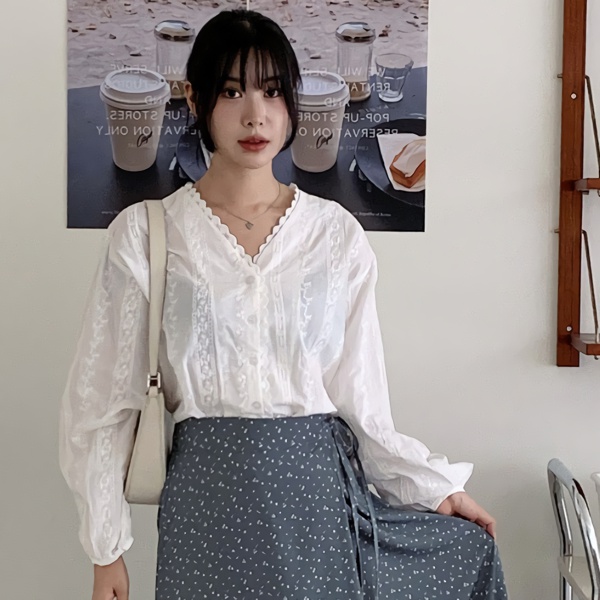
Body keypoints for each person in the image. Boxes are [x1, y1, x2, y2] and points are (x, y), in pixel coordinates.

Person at [58, 8, 508, 600]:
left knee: (469, 552)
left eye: (272, 91)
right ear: (194, 98)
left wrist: (434, 489)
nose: (256, 114)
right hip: (205, 514)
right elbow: (102, 405)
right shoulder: (145, 234)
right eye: (231, 91)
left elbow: (362, 402)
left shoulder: (335, 235)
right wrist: (106, 551)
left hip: (316, 511)